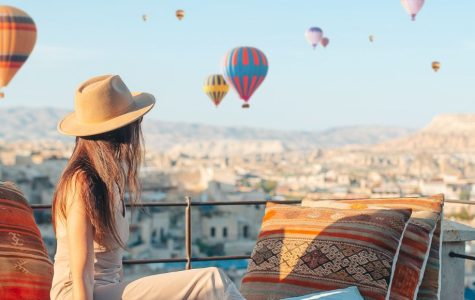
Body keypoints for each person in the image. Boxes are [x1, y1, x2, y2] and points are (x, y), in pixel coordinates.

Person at [50, 75, 243, 300]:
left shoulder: (108, 180)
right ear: (120, 128)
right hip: (79, 294)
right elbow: (81, 273)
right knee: (211, 280)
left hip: (107, 290)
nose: (138, 127)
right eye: (135, 120)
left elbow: (112, 266)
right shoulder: (81, 182)